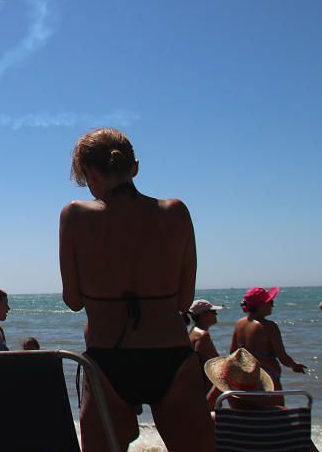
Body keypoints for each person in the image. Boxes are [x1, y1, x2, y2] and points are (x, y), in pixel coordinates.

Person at [59, 128, 213, 451]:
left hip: (108, 360)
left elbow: (73, 301)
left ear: (88, 173)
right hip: (171, 355)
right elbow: (184, 301)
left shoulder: (74, 216)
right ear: (135, 167)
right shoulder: (176, 212)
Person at [230, 287, 306, 395]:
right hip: (267, 378)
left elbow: (233, 353)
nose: (272, 305)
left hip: (247, 378)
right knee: (276, 408)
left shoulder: (239, 324)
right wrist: (294, 365)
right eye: (270, 302)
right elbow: (282, 357)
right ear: (261, 306)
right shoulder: (269, 326)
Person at [185, 299, 222, 396]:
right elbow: (202, 366)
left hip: (193, 386)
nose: (216, 315)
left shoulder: (191, 332)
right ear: (203, 315)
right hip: (203, 389)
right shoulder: (203, 335)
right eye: (213, 312)